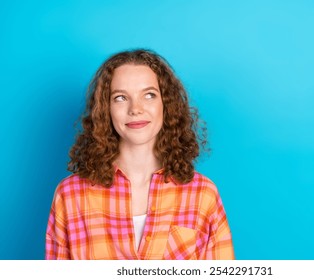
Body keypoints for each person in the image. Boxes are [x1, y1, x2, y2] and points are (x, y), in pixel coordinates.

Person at [45, 49, 234, 260]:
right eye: (120, 98)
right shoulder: (70, 196)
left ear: (166, 105)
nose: (135, 108)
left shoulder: (203, 194)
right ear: (105, 109)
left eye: (149, 95)